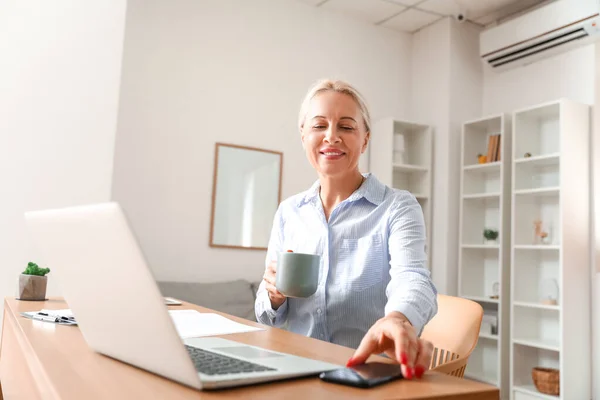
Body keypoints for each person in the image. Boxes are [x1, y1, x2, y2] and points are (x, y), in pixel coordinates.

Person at [254, 79, 438, 380]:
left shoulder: (397, 207)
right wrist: (273, 294)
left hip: (365, 374)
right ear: (303, 135)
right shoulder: (289, 212)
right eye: (319, 126)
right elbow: (267, 314)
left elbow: (413, 278)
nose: (331, 137)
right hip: (298, 370)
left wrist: (398, 318)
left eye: (346, 127)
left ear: (365, 139)